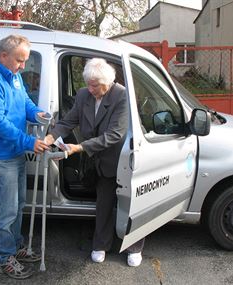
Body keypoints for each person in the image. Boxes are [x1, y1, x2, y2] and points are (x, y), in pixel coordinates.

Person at [44, 58, 145, 267]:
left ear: (107, 83)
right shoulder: (83, 94)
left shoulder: (122, 95)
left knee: (130, 205)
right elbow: (69, 121)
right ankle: (101, 244)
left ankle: (134, 247)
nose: (90, 89)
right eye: (88, 84)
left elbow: (115, 134)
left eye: (95, 85)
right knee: (104, 203)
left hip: (122, 158)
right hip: (98, 160)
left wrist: (80, 147)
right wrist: (50, 138)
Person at [0, 34, 50, 279]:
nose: (23, 66)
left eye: (25, 61)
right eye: (19, 60)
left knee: (17, 206)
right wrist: (29, 141)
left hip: (14, 153)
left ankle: (15, 247)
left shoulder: (13, 76)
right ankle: (4, 258)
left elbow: (25, 102)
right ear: (3, 55)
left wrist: (38, 114)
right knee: (5, 211)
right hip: (0, 157)